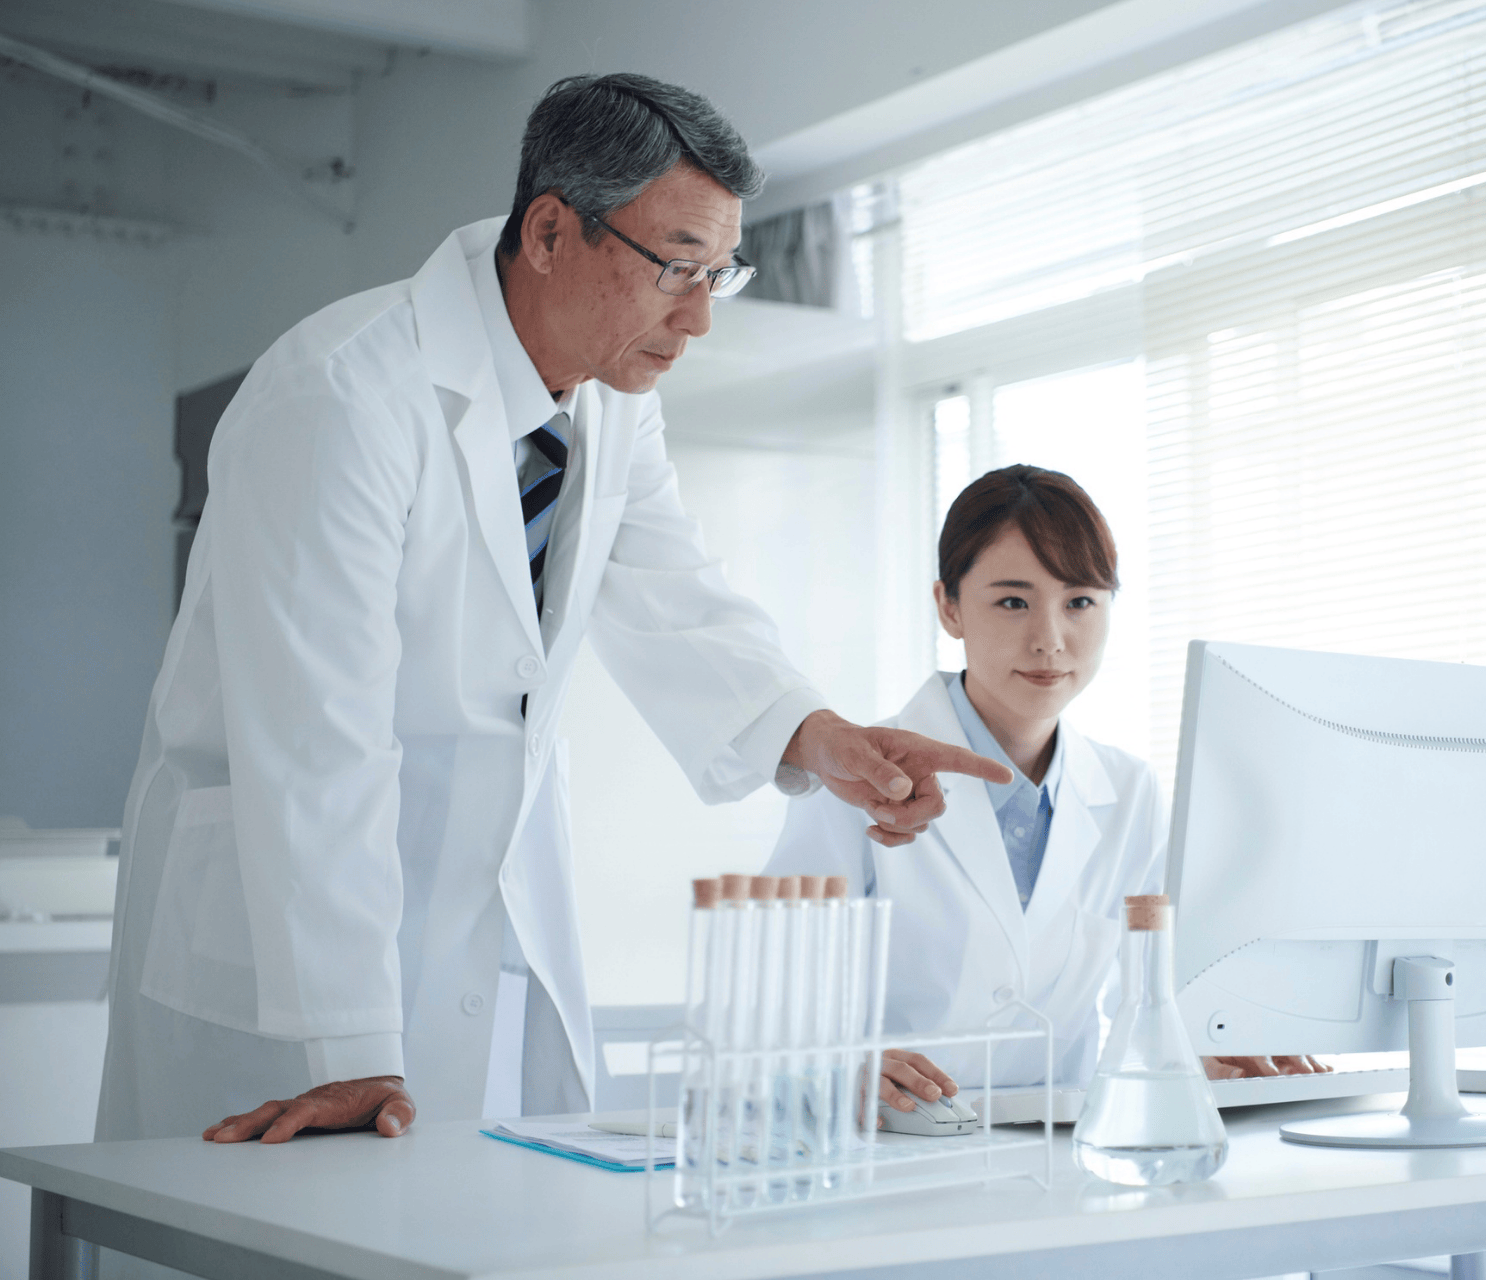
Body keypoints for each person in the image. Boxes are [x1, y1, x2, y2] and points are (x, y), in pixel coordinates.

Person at [95, 73, 1008, 1147]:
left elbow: (676, 594)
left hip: (473, 929)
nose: (700, 317)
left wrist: (821, 737)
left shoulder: (610, 402)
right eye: (676, 267)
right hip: (287, 968)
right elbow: (315, 738)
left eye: (720, 274)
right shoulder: (344, 393)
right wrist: (345, 1042)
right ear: (548, 233)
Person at [765, 465, 1324, 1114]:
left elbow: (1148, 1001)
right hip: (891, 1138)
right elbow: (765, 1003)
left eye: (1079, 602)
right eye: (1013, 602)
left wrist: (1208, 1051)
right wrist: (834, 1066)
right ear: (949, 607)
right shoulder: (856, 775)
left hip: (1058, 1141)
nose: (1050, 641)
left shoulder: (1130, 791)